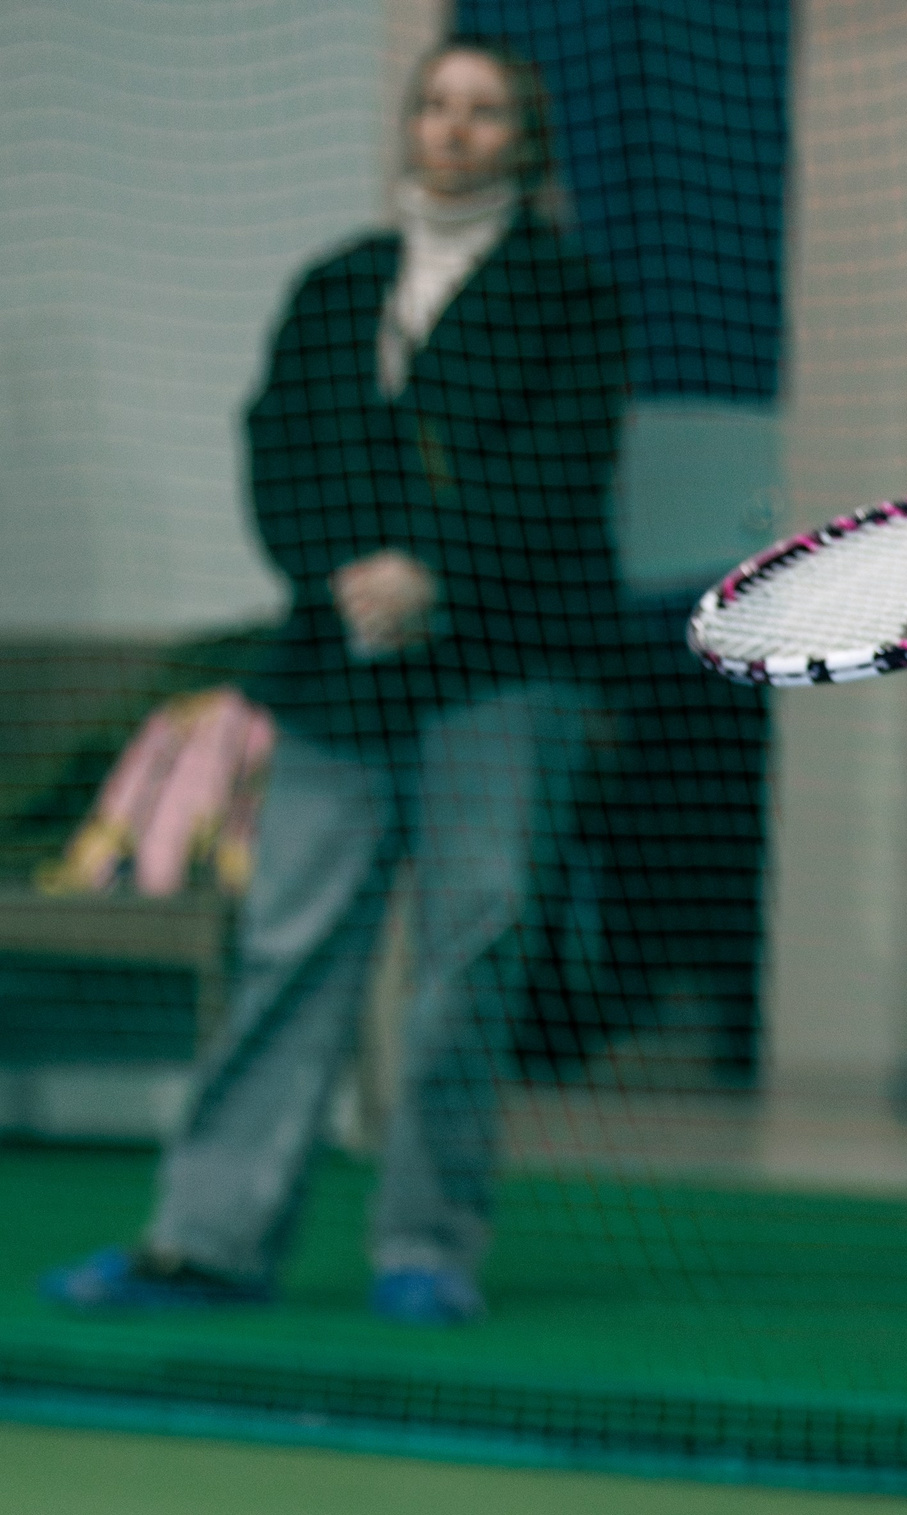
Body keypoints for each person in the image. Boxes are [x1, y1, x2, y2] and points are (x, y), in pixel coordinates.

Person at [43, 39, 627, 1326]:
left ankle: (426, 1244)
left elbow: (561, 467)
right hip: (335, 673)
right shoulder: (337, 287)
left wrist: (438, 573)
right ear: (409, 126)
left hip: (503, 667)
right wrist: (347, 575)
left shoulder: (570, 296)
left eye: (483, 113)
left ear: (522, 141)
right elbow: (282, 453)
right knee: (289, 948)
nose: (454, 131)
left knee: (469, 958)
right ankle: (206, 1241)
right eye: (436, 106)